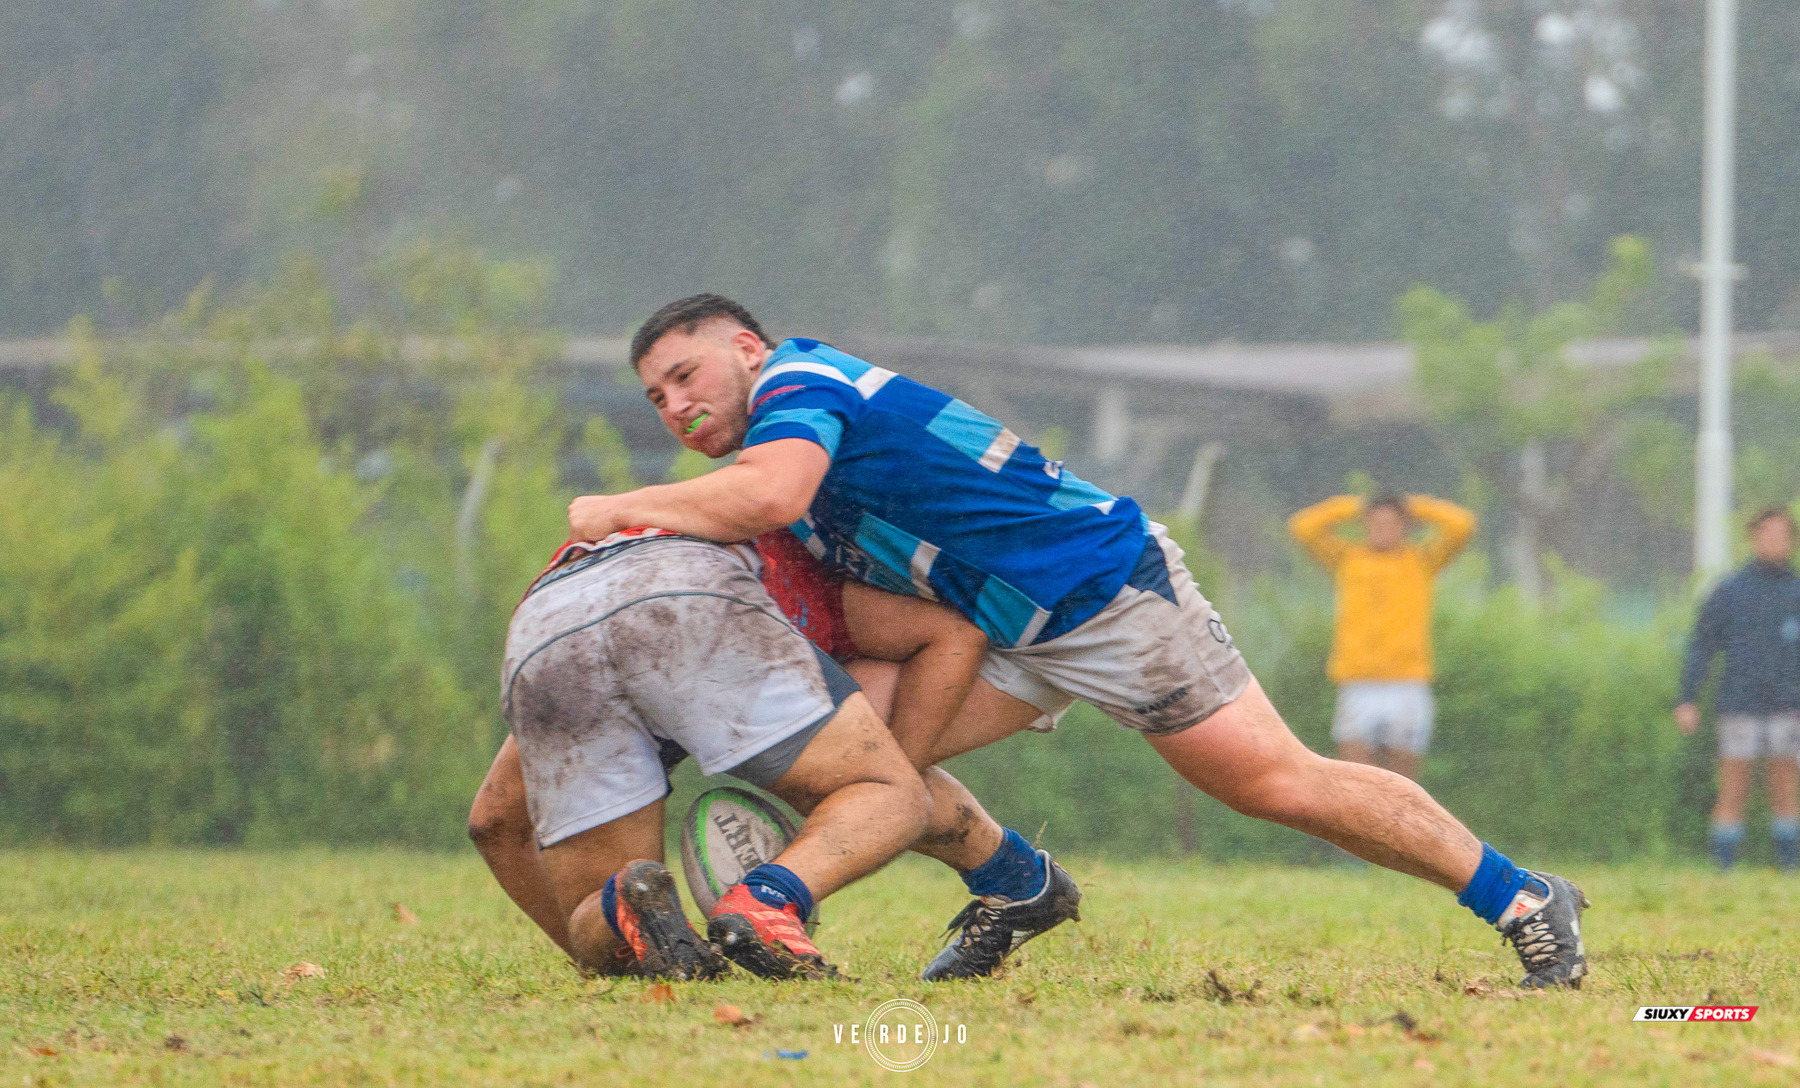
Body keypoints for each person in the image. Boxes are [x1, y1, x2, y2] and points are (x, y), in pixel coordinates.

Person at [561, 293, 1593, 988]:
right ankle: (1015, 883)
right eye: (657, 395)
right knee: (847, 758)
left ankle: (1526, 896)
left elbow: (771, 493)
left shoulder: (799, 389)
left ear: (746, 347)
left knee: (1278, 782)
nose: (676, 403)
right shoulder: (771, 440)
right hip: (996, 619)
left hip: (1101, 591)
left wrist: (622, 508)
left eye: (686, 373)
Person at [471, 527, 1081, 979]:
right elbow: (952, 635)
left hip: (550, 615)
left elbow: (494, 820)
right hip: (687, 591)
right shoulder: (805, 559)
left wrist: (598, 961)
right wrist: (891, 783)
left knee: (606, 894)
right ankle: (769, 903)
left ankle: (621, 917)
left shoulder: (697, 523)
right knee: (878, 788)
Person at [1287, 492, 1476, 780]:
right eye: (1376, 523)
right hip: (1357, 681)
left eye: (1391, 523)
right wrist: (1356, 505)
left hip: (1407, 682)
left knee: (1404, 779)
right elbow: (1303, 527)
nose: (1383, 530)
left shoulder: (1420, 561)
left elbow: (1462, 524)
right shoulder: (1348, 559)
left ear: (1404, 526)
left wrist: (1413, 505)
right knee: (1357, 775)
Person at [1676, 506, 1800, 871]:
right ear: (1754, 538)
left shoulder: (1796, 591)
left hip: (1788, 705)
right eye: (1768, 534)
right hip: (1740, 704)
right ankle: (1724, 866)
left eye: (1782, 535)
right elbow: (1702, 644)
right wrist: (1687, 696)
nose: (1775, 542)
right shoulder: (1730, 591)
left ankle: (1788, 865)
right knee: (1733, 784)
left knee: (1785, 784)